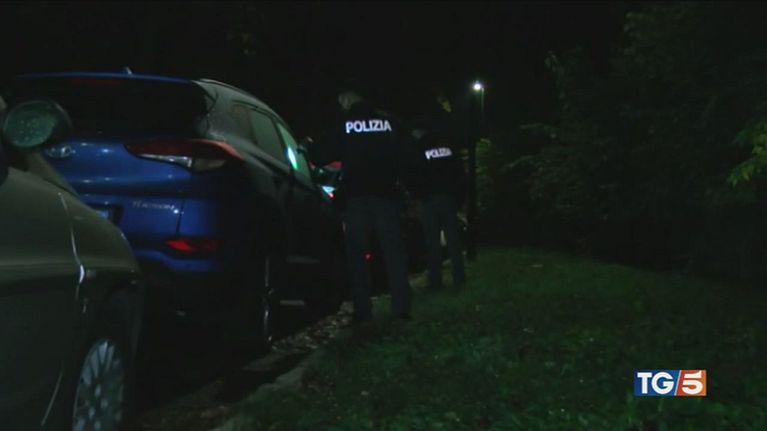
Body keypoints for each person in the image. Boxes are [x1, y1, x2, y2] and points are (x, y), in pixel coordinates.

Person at [311, 86, 413, 322]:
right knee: (394, 253)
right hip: (387, 195)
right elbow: (408, 154)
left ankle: (362, 310)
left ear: (347, 99)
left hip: (356, 197)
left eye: (341, 101)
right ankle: (402, 308)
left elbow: (321, 155)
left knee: (357, 255)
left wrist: (309, 147)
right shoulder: (389, 122)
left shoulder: (344, 124)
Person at [409, 89, 467, 290]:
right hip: (448, 195)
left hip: (429, 198)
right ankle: (459, 277)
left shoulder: (420, 148)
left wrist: (417, 194)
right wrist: (459, 196)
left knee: (432, 241)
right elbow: (458, 171)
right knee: (453, 239)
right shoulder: (448, 144)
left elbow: (415, 172)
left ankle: (435, 281)